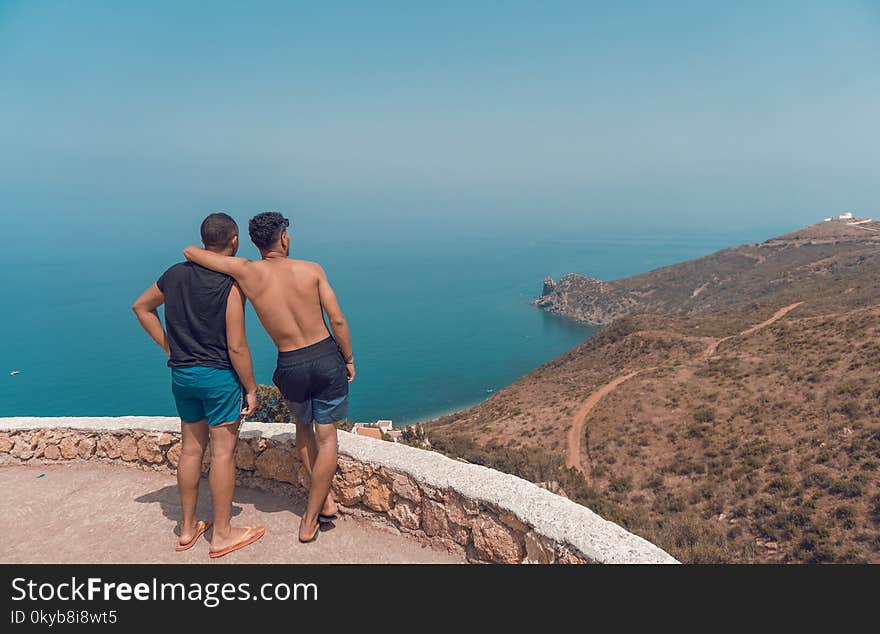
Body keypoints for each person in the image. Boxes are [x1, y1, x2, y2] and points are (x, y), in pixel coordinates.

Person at [183, 211, 354, 544]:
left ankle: (326, 501)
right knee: (328, 437)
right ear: (284, 237)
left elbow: (191, 251)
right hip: (325, 357)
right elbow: (338, 322)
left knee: (303, 431)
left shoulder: (247, 272)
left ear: (253, 242)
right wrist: (348, 357)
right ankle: (309, 519)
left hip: (290, 363)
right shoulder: (311, 269)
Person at [132, 212, 266, 558]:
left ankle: (188, 528)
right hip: (218, 376)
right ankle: (222, 533)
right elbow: (236, 345)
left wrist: (168, 345)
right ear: (234, 241)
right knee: (222, 453)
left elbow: (141, 307)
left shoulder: (174, 275)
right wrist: (250, 388)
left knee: (191, 449)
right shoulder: (230, 284)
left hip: (182, 374)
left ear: (204, 239)